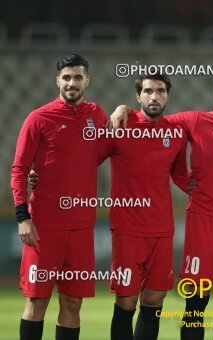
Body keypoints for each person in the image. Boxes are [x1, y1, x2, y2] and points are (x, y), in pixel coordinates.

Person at [109, 69, 213, 340]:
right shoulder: (194, 120)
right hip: (202, 218)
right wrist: (122, 108)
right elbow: (152, 115)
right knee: (196, 301)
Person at [11, 54, 107, 340]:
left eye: (78, 77)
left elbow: (99, 155)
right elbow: (19, 168)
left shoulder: (98, 116)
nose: (72, 82)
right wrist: (22, 216)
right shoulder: (39, 118)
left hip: (81, 227)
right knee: (36, 302)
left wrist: (123, 110)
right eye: (66, 77)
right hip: (44, 227)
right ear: (58, 81)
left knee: (73, 304)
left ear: (87, 81)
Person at [98, 74, 189, 340]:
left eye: (160, 91)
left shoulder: (176, 132)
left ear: (167, 96)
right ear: (138, 96)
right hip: (127, 229)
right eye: (148, 91)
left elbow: (181, 175)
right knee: (126, 301)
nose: (154, 96)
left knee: (154, 301)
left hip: (162, 229)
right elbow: (86, 161)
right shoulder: (121, 124)